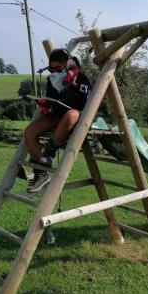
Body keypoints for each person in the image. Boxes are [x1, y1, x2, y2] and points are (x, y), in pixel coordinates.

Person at [23, 48, 91, 193]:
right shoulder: (51, 79)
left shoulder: (81, 77)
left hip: (75, 116)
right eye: (51, 69)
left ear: (66, 63)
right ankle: (41, 174)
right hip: (56, 114)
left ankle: (48, 155)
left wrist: (67, 89)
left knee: (71, 114)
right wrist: (45, 103)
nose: (54, 72)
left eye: (58, 68)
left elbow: (84, 102)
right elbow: (51, 97)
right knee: (29, 132)